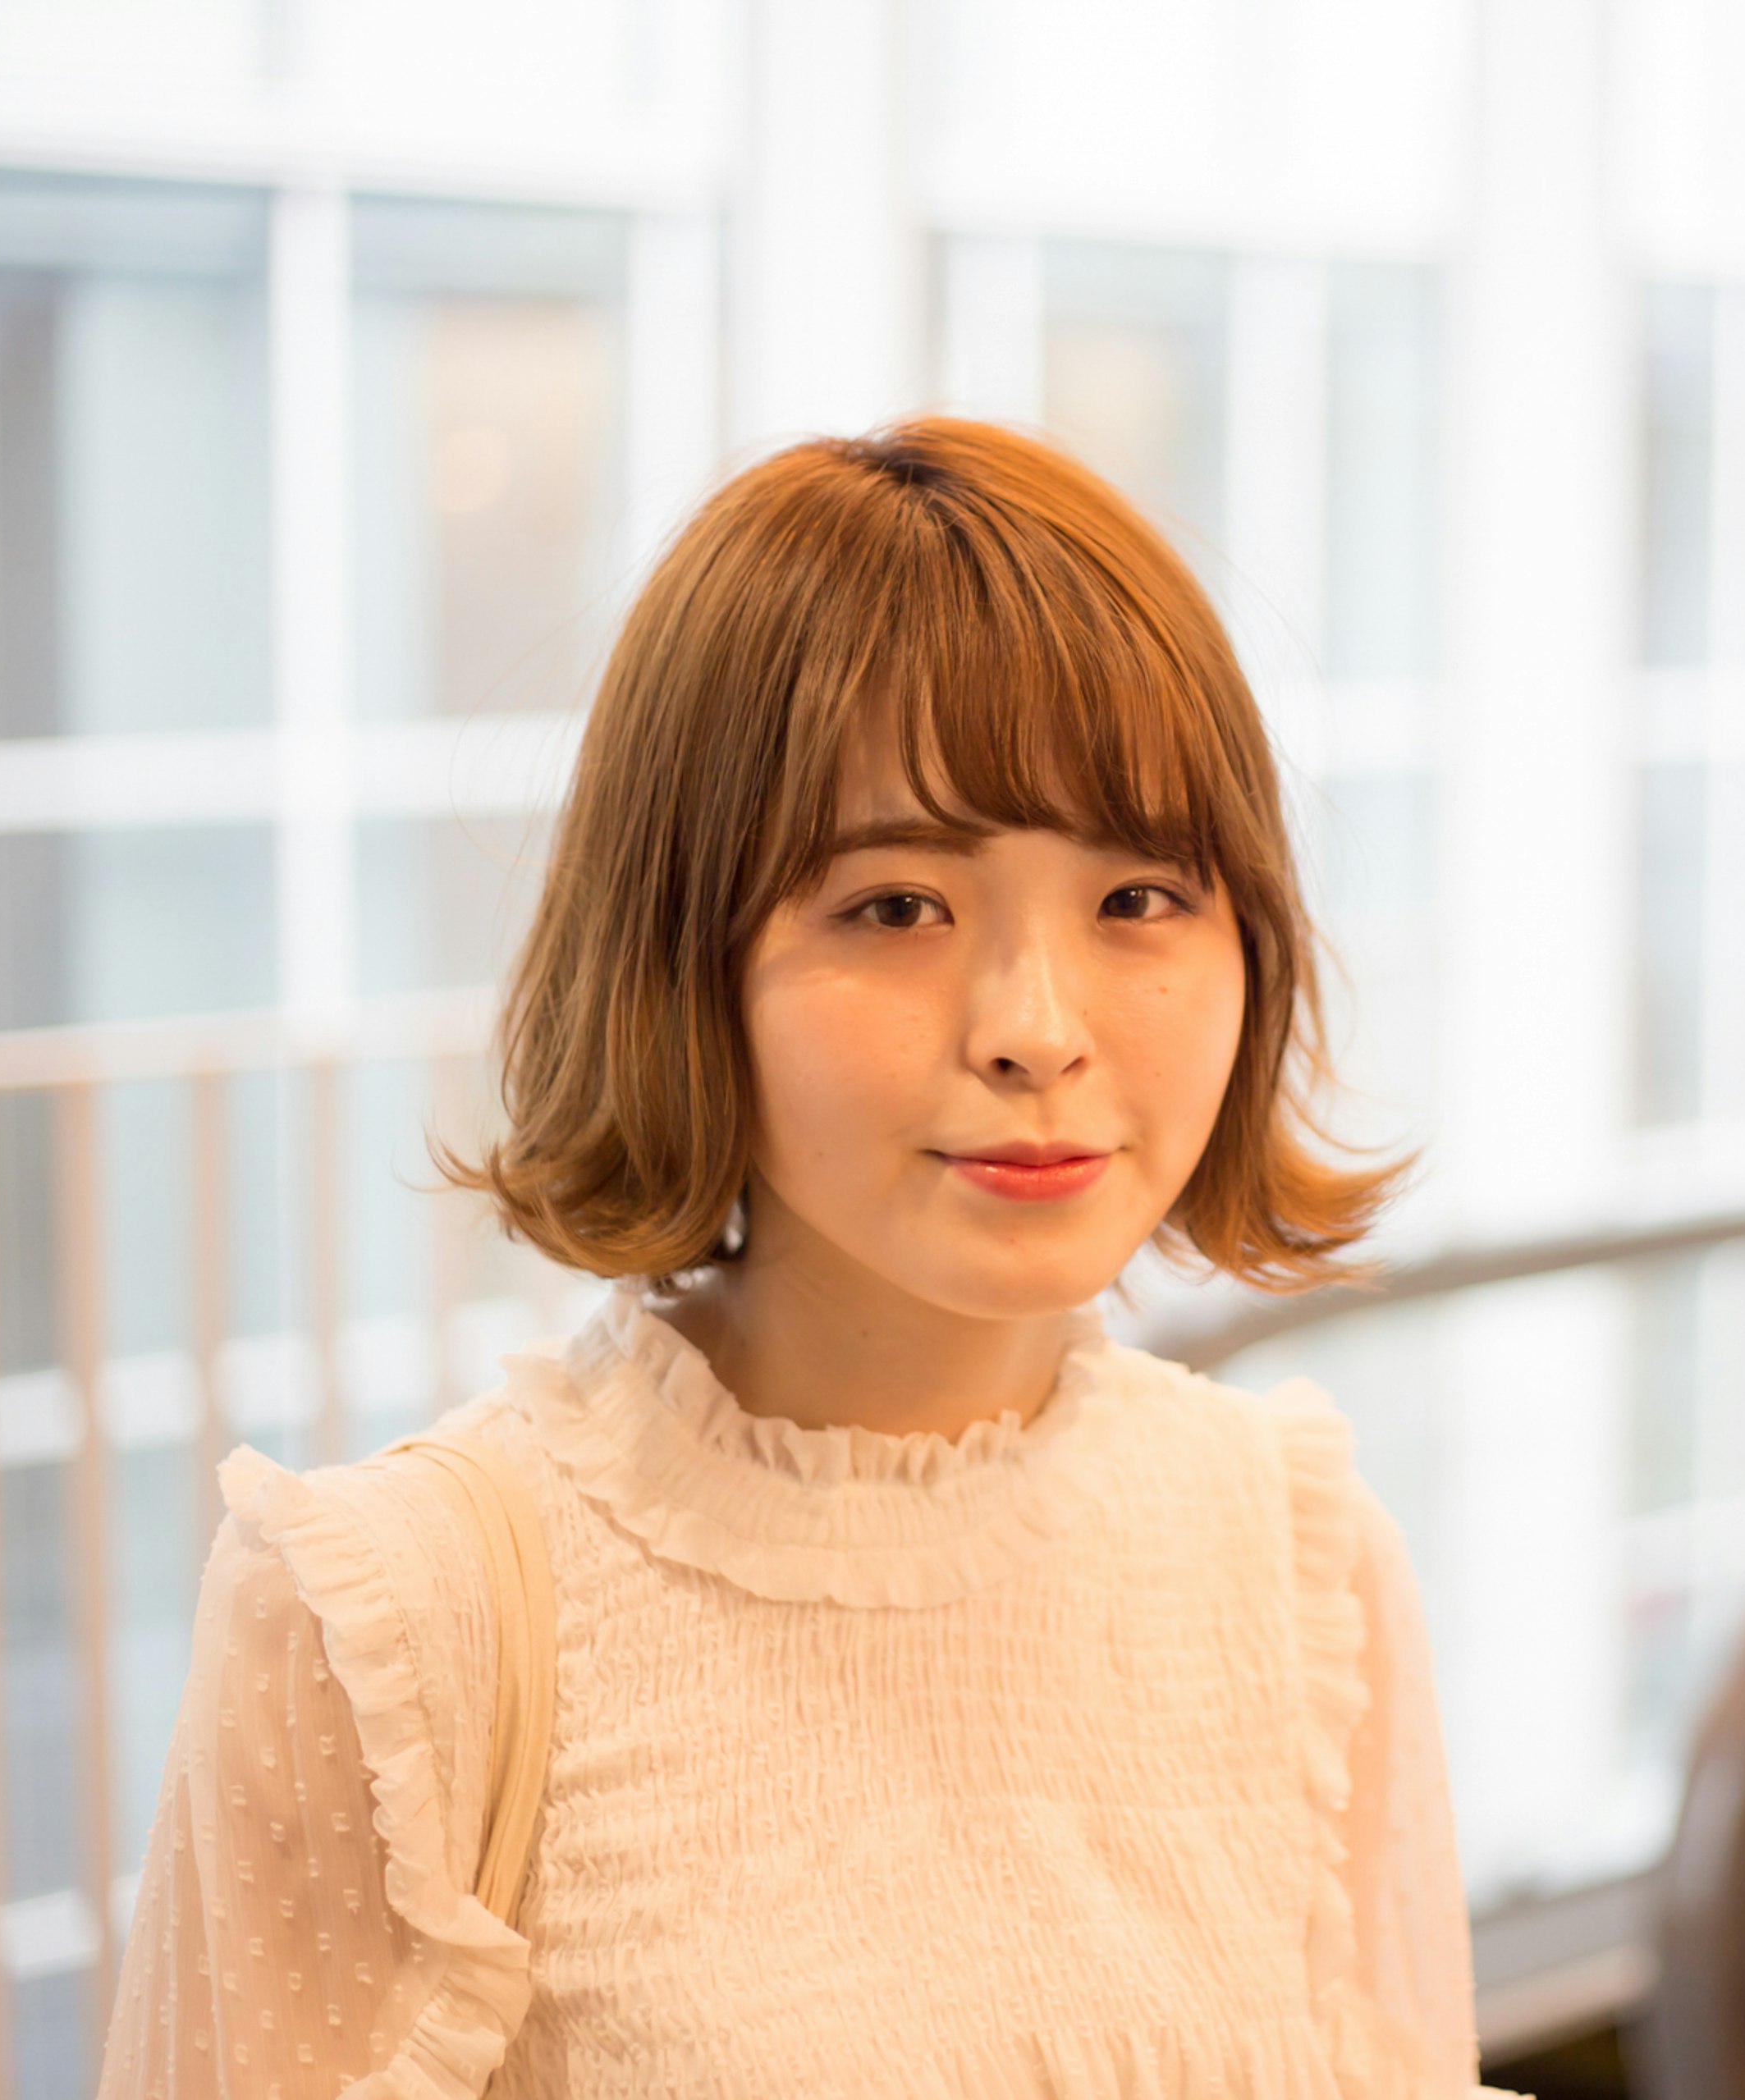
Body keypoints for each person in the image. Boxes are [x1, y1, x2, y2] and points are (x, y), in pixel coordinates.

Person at [97, 419, 1507, 2098]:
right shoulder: (391, 1620)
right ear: (683, 959)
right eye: (897, 906)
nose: (1036, 1030)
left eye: (1139, 895)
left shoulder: (1301, 1561)